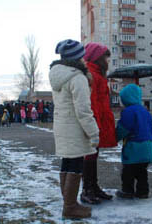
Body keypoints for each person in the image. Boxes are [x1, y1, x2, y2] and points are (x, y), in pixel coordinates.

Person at [49, 39, 99, 219]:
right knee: (76, 164)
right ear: (78, 58)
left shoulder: (58, 75)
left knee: (67, 163)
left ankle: (69, 203)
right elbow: (83, 110)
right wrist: (94, 133)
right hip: (75, 128)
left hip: (62, 126)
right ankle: (70, 207)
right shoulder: (77, 78)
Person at [80, 42, 117, 204]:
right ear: (97, 58)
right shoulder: (92, 76)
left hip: (98, 120)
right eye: (105, 58)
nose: (108, 61)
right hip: (93, 122)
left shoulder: (98, 74)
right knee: (89, 155)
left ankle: (94, 187)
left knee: (94, 155)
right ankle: (87, 190)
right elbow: (91, 102)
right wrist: (94, 125)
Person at [115, 84, 152, 199]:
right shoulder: (145, 111)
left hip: (134, 146)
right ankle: (143, 192)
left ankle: (127, 191)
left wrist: (115, 137)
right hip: (148, 147)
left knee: (128, 172)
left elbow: (124, 128)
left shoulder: (128, 111)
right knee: (142, 172)